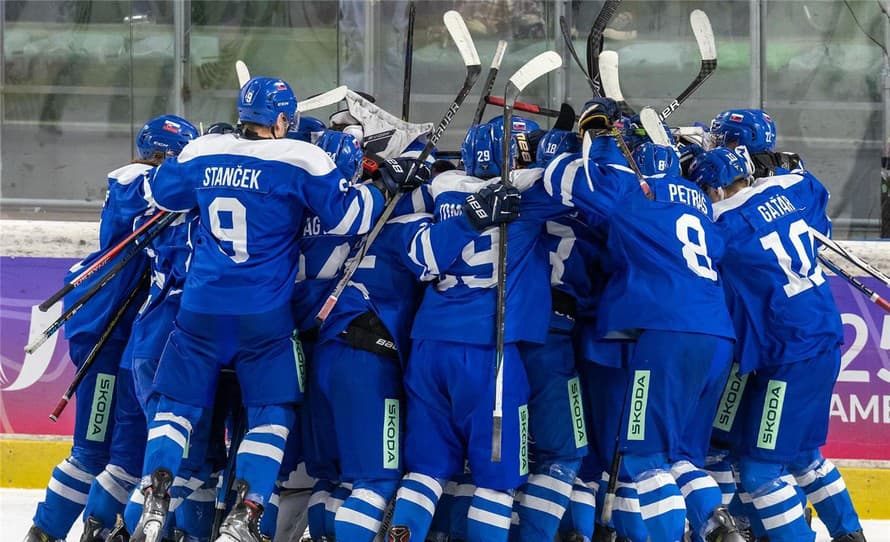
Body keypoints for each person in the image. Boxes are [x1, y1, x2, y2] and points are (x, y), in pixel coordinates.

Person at [129, 76, 417, 542]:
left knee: (176, 407)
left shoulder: (204, 149)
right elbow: (350, 218)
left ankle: (156, 491)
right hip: (263, 316)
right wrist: (383, 185)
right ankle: (245, 512)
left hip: (200, 310)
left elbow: (161, 193)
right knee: (271, 412)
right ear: (283, 121)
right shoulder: (301, 157)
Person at [542, 97, 742, 542]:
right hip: (715, 337)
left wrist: (598, 137)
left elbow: (562, 177)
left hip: (655, 336)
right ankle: (717, 524)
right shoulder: (702, 211)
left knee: (639, 456)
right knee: (680, 455)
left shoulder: (634, 198)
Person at [24, 115, 197, 542]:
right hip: (106, 326)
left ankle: (104, 528)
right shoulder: (132, 178)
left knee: (126, 450)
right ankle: (45, 532)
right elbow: (161, 191)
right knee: (92, 449)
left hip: (129, 328)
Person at [387, 120, 552, 542]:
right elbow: (586, 188)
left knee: (424, 472)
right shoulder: (527, 191)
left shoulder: (441, 187)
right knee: (497, 481)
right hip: (489, 355)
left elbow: (407, 232)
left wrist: (408, 164)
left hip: (429, 348)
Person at [691, 146, 865, 542]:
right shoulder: (788, 192)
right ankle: (850, 535)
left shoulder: (723, 224)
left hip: (789, 352)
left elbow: (686, 227)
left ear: (715, 189)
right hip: (822, 337)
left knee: (760, 472)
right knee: (804, 457)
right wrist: (786, 165)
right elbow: (815, 189)